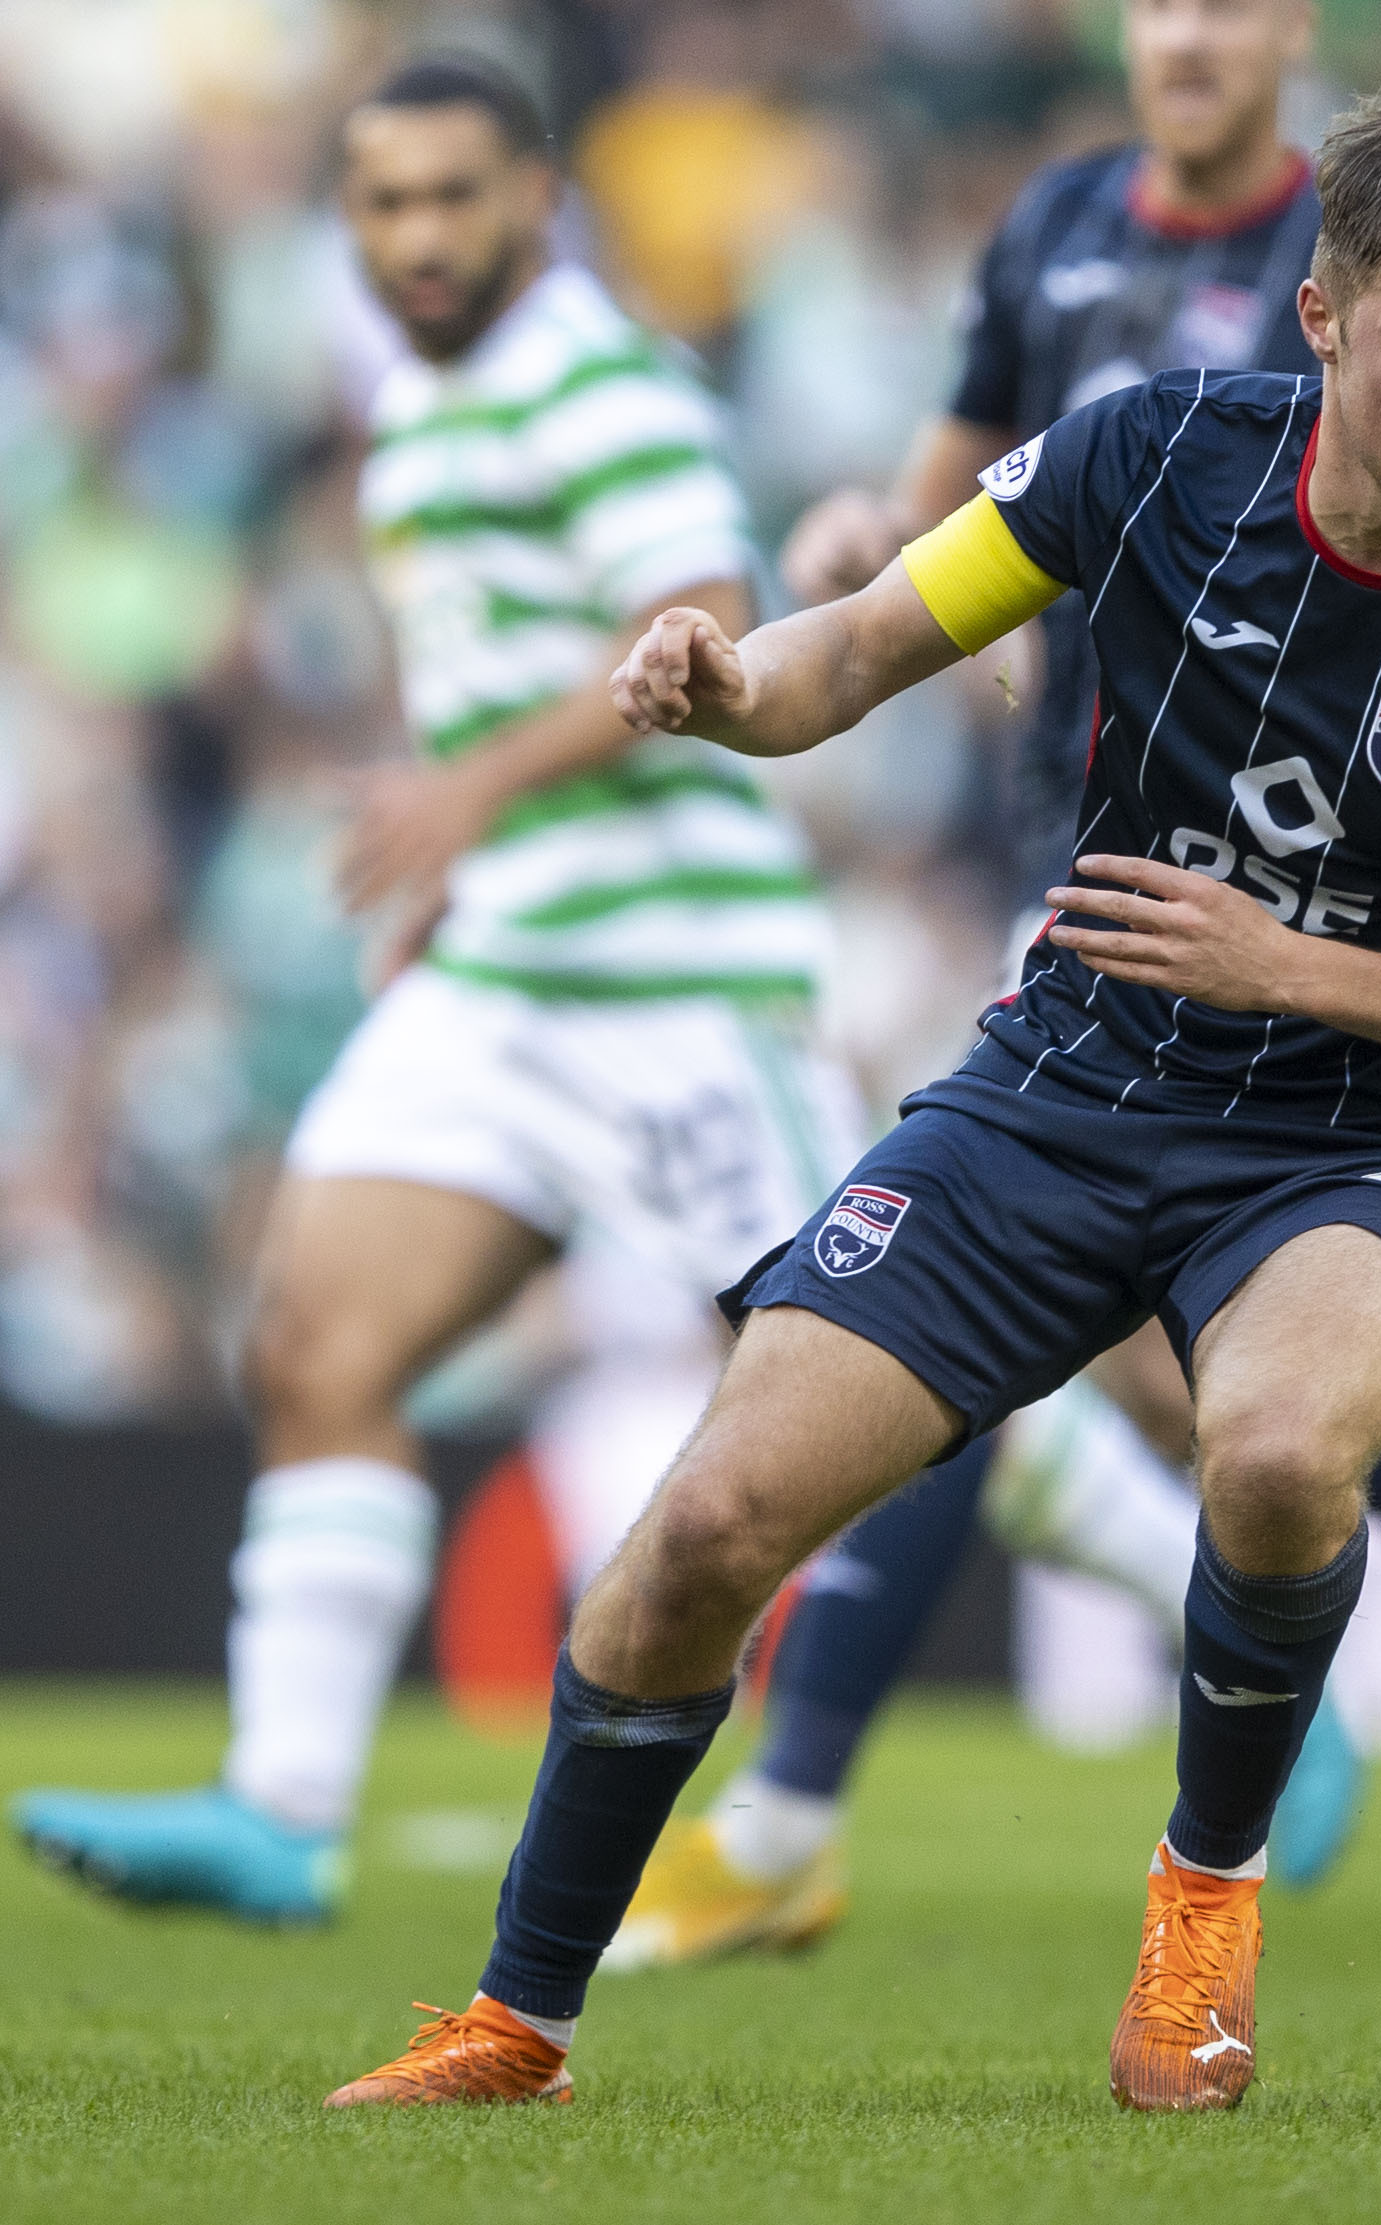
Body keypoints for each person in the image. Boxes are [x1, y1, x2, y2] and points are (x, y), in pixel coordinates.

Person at [323, 84, 1381, 2115]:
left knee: (1275, 1456)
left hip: (1363, 1134)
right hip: (1066, 1080)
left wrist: (1283, 967)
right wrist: (726, 684)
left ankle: (1203, 1894)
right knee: (706, 1525)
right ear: (1321, 315)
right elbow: (856, 648)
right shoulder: (1149, 456)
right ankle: (516, 2022)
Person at [609, 0, 1381, 1971]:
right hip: (1091, 868)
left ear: (1287, 36)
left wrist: (1290, 952)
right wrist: (833, 580)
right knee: (1066, 1356)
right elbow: (934, 522)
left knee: (1191, 1388)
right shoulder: (1057, 230)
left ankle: (838, 1802)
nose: (1187, 32)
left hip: (1295, 936)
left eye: (1228, 1)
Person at [6, 57, 994, 1924]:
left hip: (675, 976)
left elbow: (699, 618)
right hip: (507, 971)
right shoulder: (415, 403)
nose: (420, 236)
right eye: (383, 203)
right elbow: (497, 665)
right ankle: (284, 1811)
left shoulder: (592, 381)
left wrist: (468, 794)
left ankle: (1234, 1639)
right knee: (317, 1337)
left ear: (539, 200)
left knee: (895, 1372)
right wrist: (468, 849)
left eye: (456, 196)